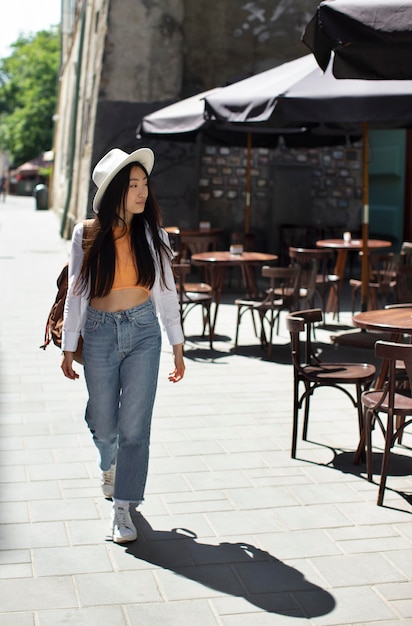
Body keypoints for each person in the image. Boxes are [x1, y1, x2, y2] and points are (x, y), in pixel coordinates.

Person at [61, 147, 185, 544]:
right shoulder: (87, 233)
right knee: (103, 423)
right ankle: (107, 461)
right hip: (97, 330)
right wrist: (67, 345)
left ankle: (123, 507)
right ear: (114, 190)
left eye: (144, 184)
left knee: (135, 428)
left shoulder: (154, 234)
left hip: (144, 331)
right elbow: (77, 293)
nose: (141, 191)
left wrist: (178, 345)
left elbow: (166, 293)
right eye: (132, 185)